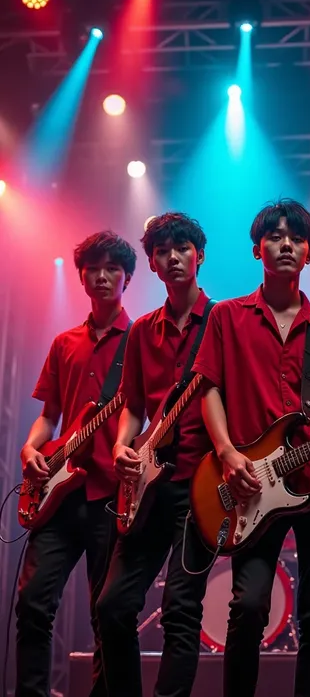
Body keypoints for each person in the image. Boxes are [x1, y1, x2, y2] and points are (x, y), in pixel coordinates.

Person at [191, 199, 310, 697]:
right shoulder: (227, 318)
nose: (286, 244)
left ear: (309, 254)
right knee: (250, 606)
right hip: (252, 483)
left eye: (296, 238)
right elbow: (208, 388)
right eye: (275, 236)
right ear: (258, 249)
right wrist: (228, 453)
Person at [96, 213, 215, 697]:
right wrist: (125, 444)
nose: (173, 257)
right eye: (162, 251)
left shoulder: (224, 322)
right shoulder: (142, 330)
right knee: (111, 607)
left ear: (199, 255)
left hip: (201, 485)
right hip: (147, 488)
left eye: (182, 247)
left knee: (182, 612)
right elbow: (133, 406)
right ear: (151, 263)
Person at [16, 231, 137, 697]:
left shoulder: (141, 339)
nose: (103, 276)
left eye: (113, 268)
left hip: (110, 494)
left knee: (106, 614)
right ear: (82, 276)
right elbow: (49, 417)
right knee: (31, 603)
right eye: (94, 268)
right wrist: (31, 450)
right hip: (58, 496)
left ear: (127, 277)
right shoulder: (64, 342)